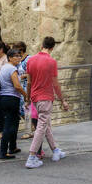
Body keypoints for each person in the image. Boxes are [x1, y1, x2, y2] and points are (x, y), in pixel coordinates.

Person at [25, 37, 68, 167]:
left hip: (34, 97)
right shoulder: (51, 62)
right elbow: (55, 84)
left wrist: (27, 98)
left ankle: (55, 150)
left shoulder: (31, 60)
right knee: (41, 126)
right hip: (46, 97)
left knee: (45, 124)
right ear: (52, 48)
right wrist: (62, 100)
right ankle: (32, 157)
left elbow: (29, 82)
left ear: (42, 45)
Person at [0, 48, 25, 160]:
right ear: (10, 57)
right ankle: (3, 152)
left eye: (19, 56)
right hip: (11, 98)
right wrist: (25, 94)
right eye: (16, 56)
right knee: (9, 125)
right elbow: (17, 86)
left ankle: (13, 147)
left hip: (4, 98)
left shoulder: (4, 67)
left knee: (14, 122)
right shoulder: (12, 69)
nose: (19, 58)